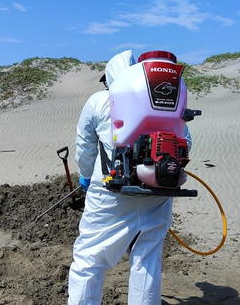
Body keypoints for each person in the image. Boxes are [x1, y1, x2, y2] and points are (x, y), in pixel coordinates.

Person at [68, 50, 191, 305]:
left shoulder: (100, 100)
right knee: (147, 259)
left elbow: (85, 146)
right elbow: (186, 143)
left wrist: (85, 176)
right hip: (159, 189)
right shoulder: (165, 101)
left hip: (110, 191)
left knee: (89, 259)